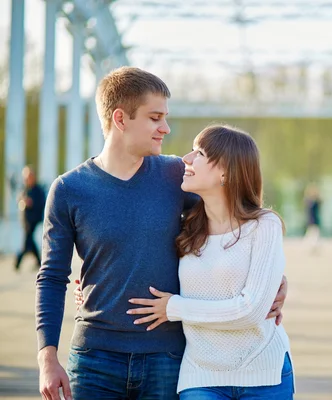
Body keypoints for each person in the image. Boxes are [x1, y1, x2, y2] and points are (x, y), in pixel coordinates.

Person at [36, 67, 288, 400]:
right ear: (121, 119)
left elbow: (237, 220)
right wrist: (47, 357)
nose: (165, 128)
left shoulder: (174, 175)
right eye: (155, 118)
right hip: (94, 357)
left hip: (167, 358)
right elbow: (52, 277)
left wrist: (277, 280)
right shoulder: (69, 189)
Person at [126, 124, 294, 399]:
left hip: (264, 373)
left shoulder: (264, 226)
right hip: (200, 376)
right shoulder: (184, 229)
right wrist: (87, 285)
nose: (186, 159)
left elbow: (251, 311)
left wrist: (175, 307)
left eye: (199, 153)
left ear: (226, 170)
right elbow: (132, 258)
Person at [15, 165, 46, 271]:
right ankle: (38, 262)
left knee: (27, 241)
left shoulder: (38, 190)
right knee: (30, 242)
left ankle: (17, 262)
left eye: (29, 177)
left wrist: (31, 203)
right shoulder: (24, 189)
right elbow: (19, 200)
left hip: (34, 220)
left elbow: (42, 204)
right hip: (25, 221)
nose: (27, 179)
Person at [303, 184, 321, 252]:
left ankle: (314, 246)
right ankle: (312, 246)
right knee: (311, 234)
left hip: (315, 220)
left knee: (314, 234)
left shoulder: (316, 201)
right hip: (311, 220)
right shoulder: (309, 201)